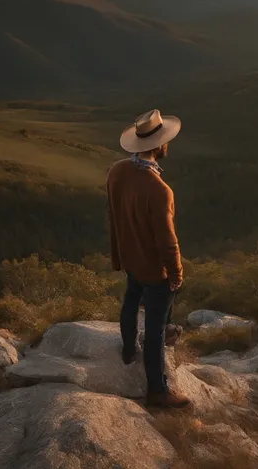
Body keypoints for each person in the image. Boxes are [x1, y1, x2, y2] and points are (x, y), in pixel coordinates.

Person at [106, 108, 191, 409]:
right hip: (154, 268)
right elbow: (167, 241)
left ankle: (129, 349)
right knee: (154, 328)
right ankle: (158, 390)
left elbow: (114, 216)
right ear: (159, 146)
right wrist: (176, 273)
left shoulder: (117, 170)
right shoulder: (159, 190)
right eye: (165, 140)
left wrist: (120, 253)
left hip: (131, 258)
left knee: (131, 301)